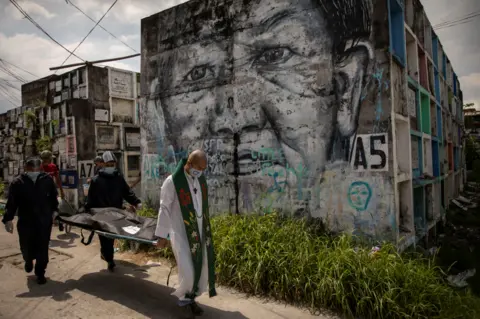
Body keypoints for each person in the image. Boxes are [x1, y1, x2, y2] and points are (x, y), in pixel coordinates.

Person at [155, 150, 216, 316]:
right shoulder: (172, 182)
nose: (201, 172)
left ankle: (191, 300)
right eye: (198, 168)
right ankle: (185, 300)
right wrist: (161, 235)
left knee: (201, 269)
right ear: (189, 164)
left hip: (199, 232)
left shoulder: (199, 180)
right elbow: (165, 208)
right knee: (188, 273)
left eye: (203, 169)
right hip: (181, 233)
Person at [2, 157, 59, 285]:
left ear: (40, 168)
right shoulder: (18, 182)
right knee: (26, 245)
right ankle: (28, 260)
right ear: (26, 168)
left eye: (37, 168)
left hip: (43, 220)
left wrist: (55, 211)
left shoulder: (47, 180)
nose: (34, 170)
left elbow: (53, 198)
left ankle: (40, 273)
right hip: (26, 221)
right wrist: (8, 219)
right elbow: (12, 203)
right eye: (31, 168)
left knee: (43, 247)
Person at [85, 151, 142, 272]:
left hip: (116, 213)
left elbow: (127, 192)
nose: (111, 166)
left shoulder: (118, 179)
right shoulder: (96, 180)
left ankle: (108, 257)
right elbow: (90, 199)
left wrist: (136, 202)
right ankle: (109, 258)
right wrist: (88, 210)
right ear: (103, 164)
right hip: (101, 215)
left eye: (112, 164)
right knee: (104, 237)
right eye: (108, 164)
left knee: (111, 237)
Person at [40, 150, 65, 231]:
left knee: (57, 205)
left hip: (52, 190)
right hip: (41, 191)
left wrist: (61, 190)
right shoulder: (38, 167)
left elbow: (58, 180)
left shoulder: (53, 166)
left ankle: (59, 220)